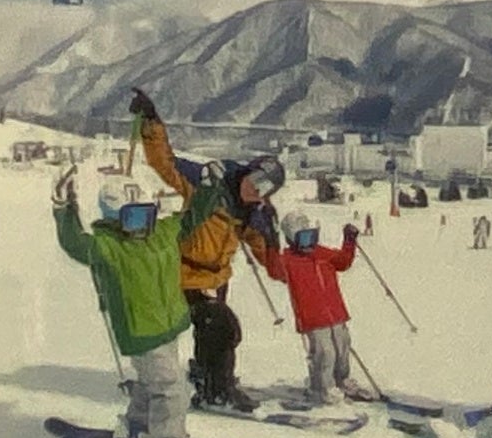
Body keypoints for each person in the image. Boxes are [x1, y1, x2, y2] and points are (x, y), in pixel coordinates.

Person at [132, 91, 280, 409]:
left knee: (216, 330)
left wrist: (275, 238)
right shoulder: (210, 186)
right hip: (182, 273)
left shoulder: (251, 213)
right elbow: (165, 163)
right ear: (249, 170)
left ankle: (207, 377)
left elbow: (270, 261)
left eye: (265, 189)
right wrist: (151, 122)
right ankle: (215, 390)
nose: (255, 189)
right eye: (256, 180)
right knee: (221, 326)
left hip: (214, 280)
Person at [52, 169, 202, 438]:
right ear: (114, 219)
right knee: (171, 388)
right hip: (141, 331)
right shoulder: (107, 247)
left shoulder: (162, 234)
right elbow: (74, 243)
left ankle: (139, 425)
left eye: (146, 216)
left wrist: (209, 189)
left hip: (167, 325)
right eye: (132, 218)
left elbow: (192, 218)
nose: (141, 226)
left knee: (151, 383)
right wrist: (64, 207)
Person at [251, 215, 366, 405]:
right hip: (313, 317)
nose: (309, 244)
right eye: (303, 239)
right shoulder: (288, 259)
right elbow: (275, 271)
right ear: (291, 240)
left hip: (336, 312)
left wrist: (349, 240)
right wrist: (271, 244)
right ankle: (321, 388)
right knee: (325, 353)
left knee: (342, 347)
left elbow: (343, 262)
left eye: (312, 237)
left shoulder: (321, 253)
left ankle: (342, 380)